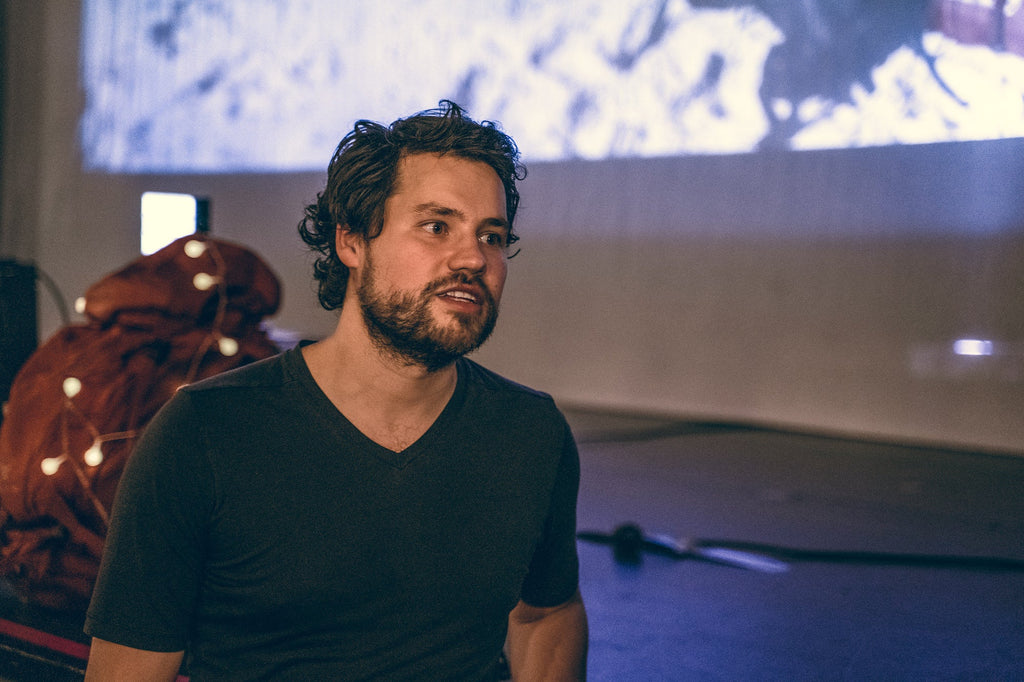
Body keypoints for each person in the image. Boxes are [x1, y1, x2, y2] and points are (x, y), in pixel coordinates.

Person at [83, 101, 588, 680]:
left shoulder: (531, 433)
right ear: (351, 242)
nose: (474, 257)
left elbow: (546, 613)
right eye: (436, 226)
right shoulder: (205, 433)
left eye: (492, 235)